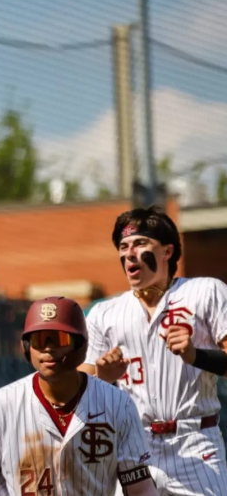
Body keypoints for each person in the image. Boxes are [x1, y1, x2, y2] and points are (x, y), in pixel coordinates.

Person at [79, 206, 227, 495]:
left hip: (196, 440)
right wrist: (102, 377)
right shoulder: (104, 313)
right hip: (134, 444)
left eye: (140, 243)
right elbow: (76, 393)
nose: (129, 253)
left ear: (167, 252)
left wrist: (195, 355)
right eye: (123, 247)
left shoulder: (206, 291)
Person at [0, 297, 158, 496]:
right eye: (39, 340)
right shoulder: (0, 405)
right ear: (28, 347)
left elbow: (140, 488)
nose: (48, 348)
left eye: (59, 339)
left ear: (80, 345)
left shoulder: (118, 404)